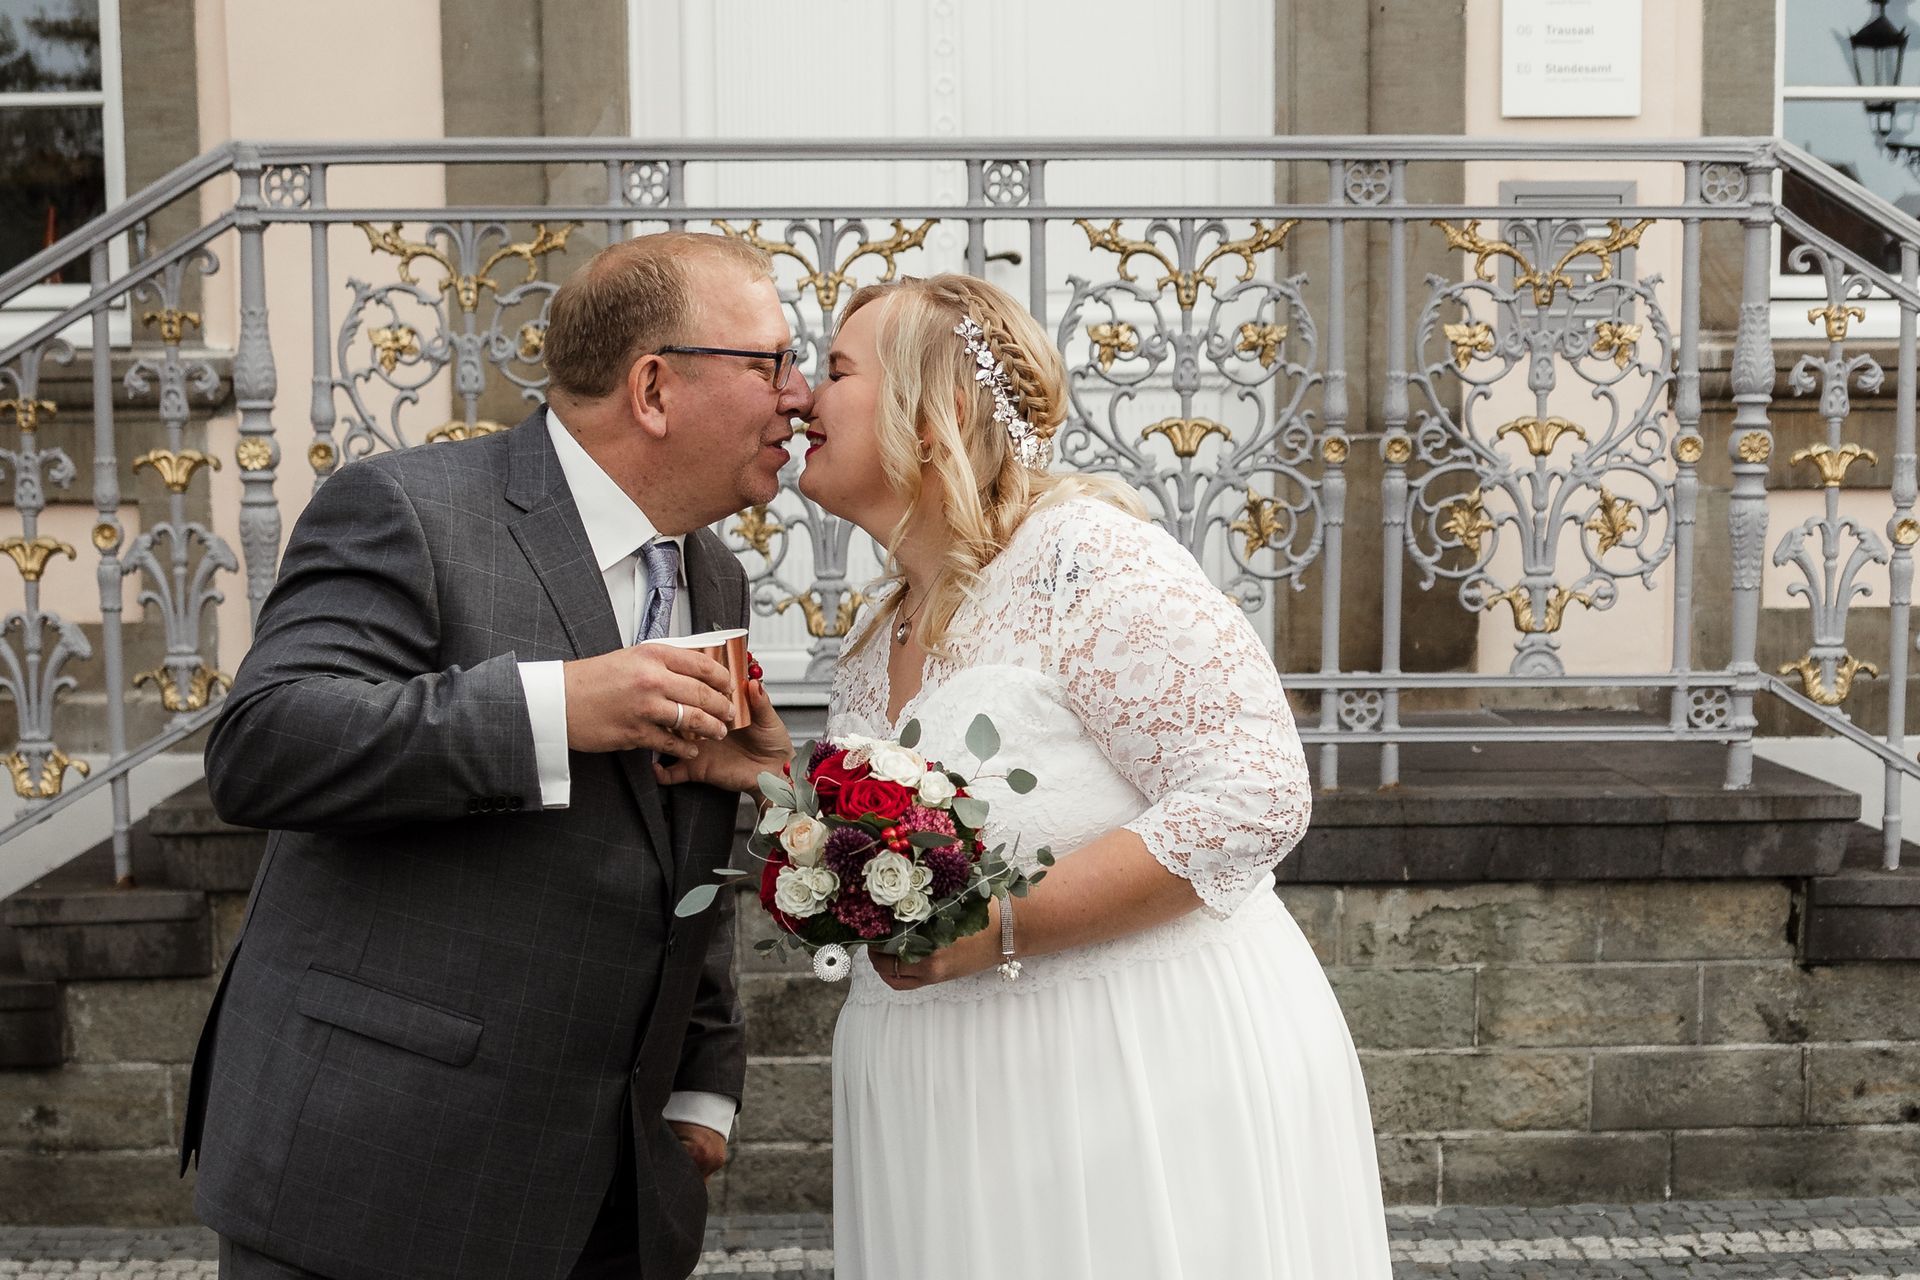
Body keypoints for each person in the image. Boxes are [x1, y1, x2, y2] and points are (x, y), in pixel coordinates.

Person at [672, 273, 1394, 1278]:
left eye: (834, 369)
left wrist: (999, 930)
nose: (797, 395)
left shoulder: (1088, 563)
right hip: (953, 1105)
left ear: (938, 409)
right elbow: (921, 844)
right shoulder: (878, 638)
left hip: (1133, 1084)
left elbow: (1254, 791)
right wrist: (777, 781)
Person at [181, 231, 805, 1280]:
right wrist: (554, 706)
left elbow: (679, 839)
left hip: (610, 1192)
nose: (796, 396)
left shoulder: (713, 571)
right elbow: (265, 743)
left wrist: (702, 1077)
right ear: (654, 386)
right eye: (771, 362)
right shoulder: (412, 508)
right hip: (380, 1169)